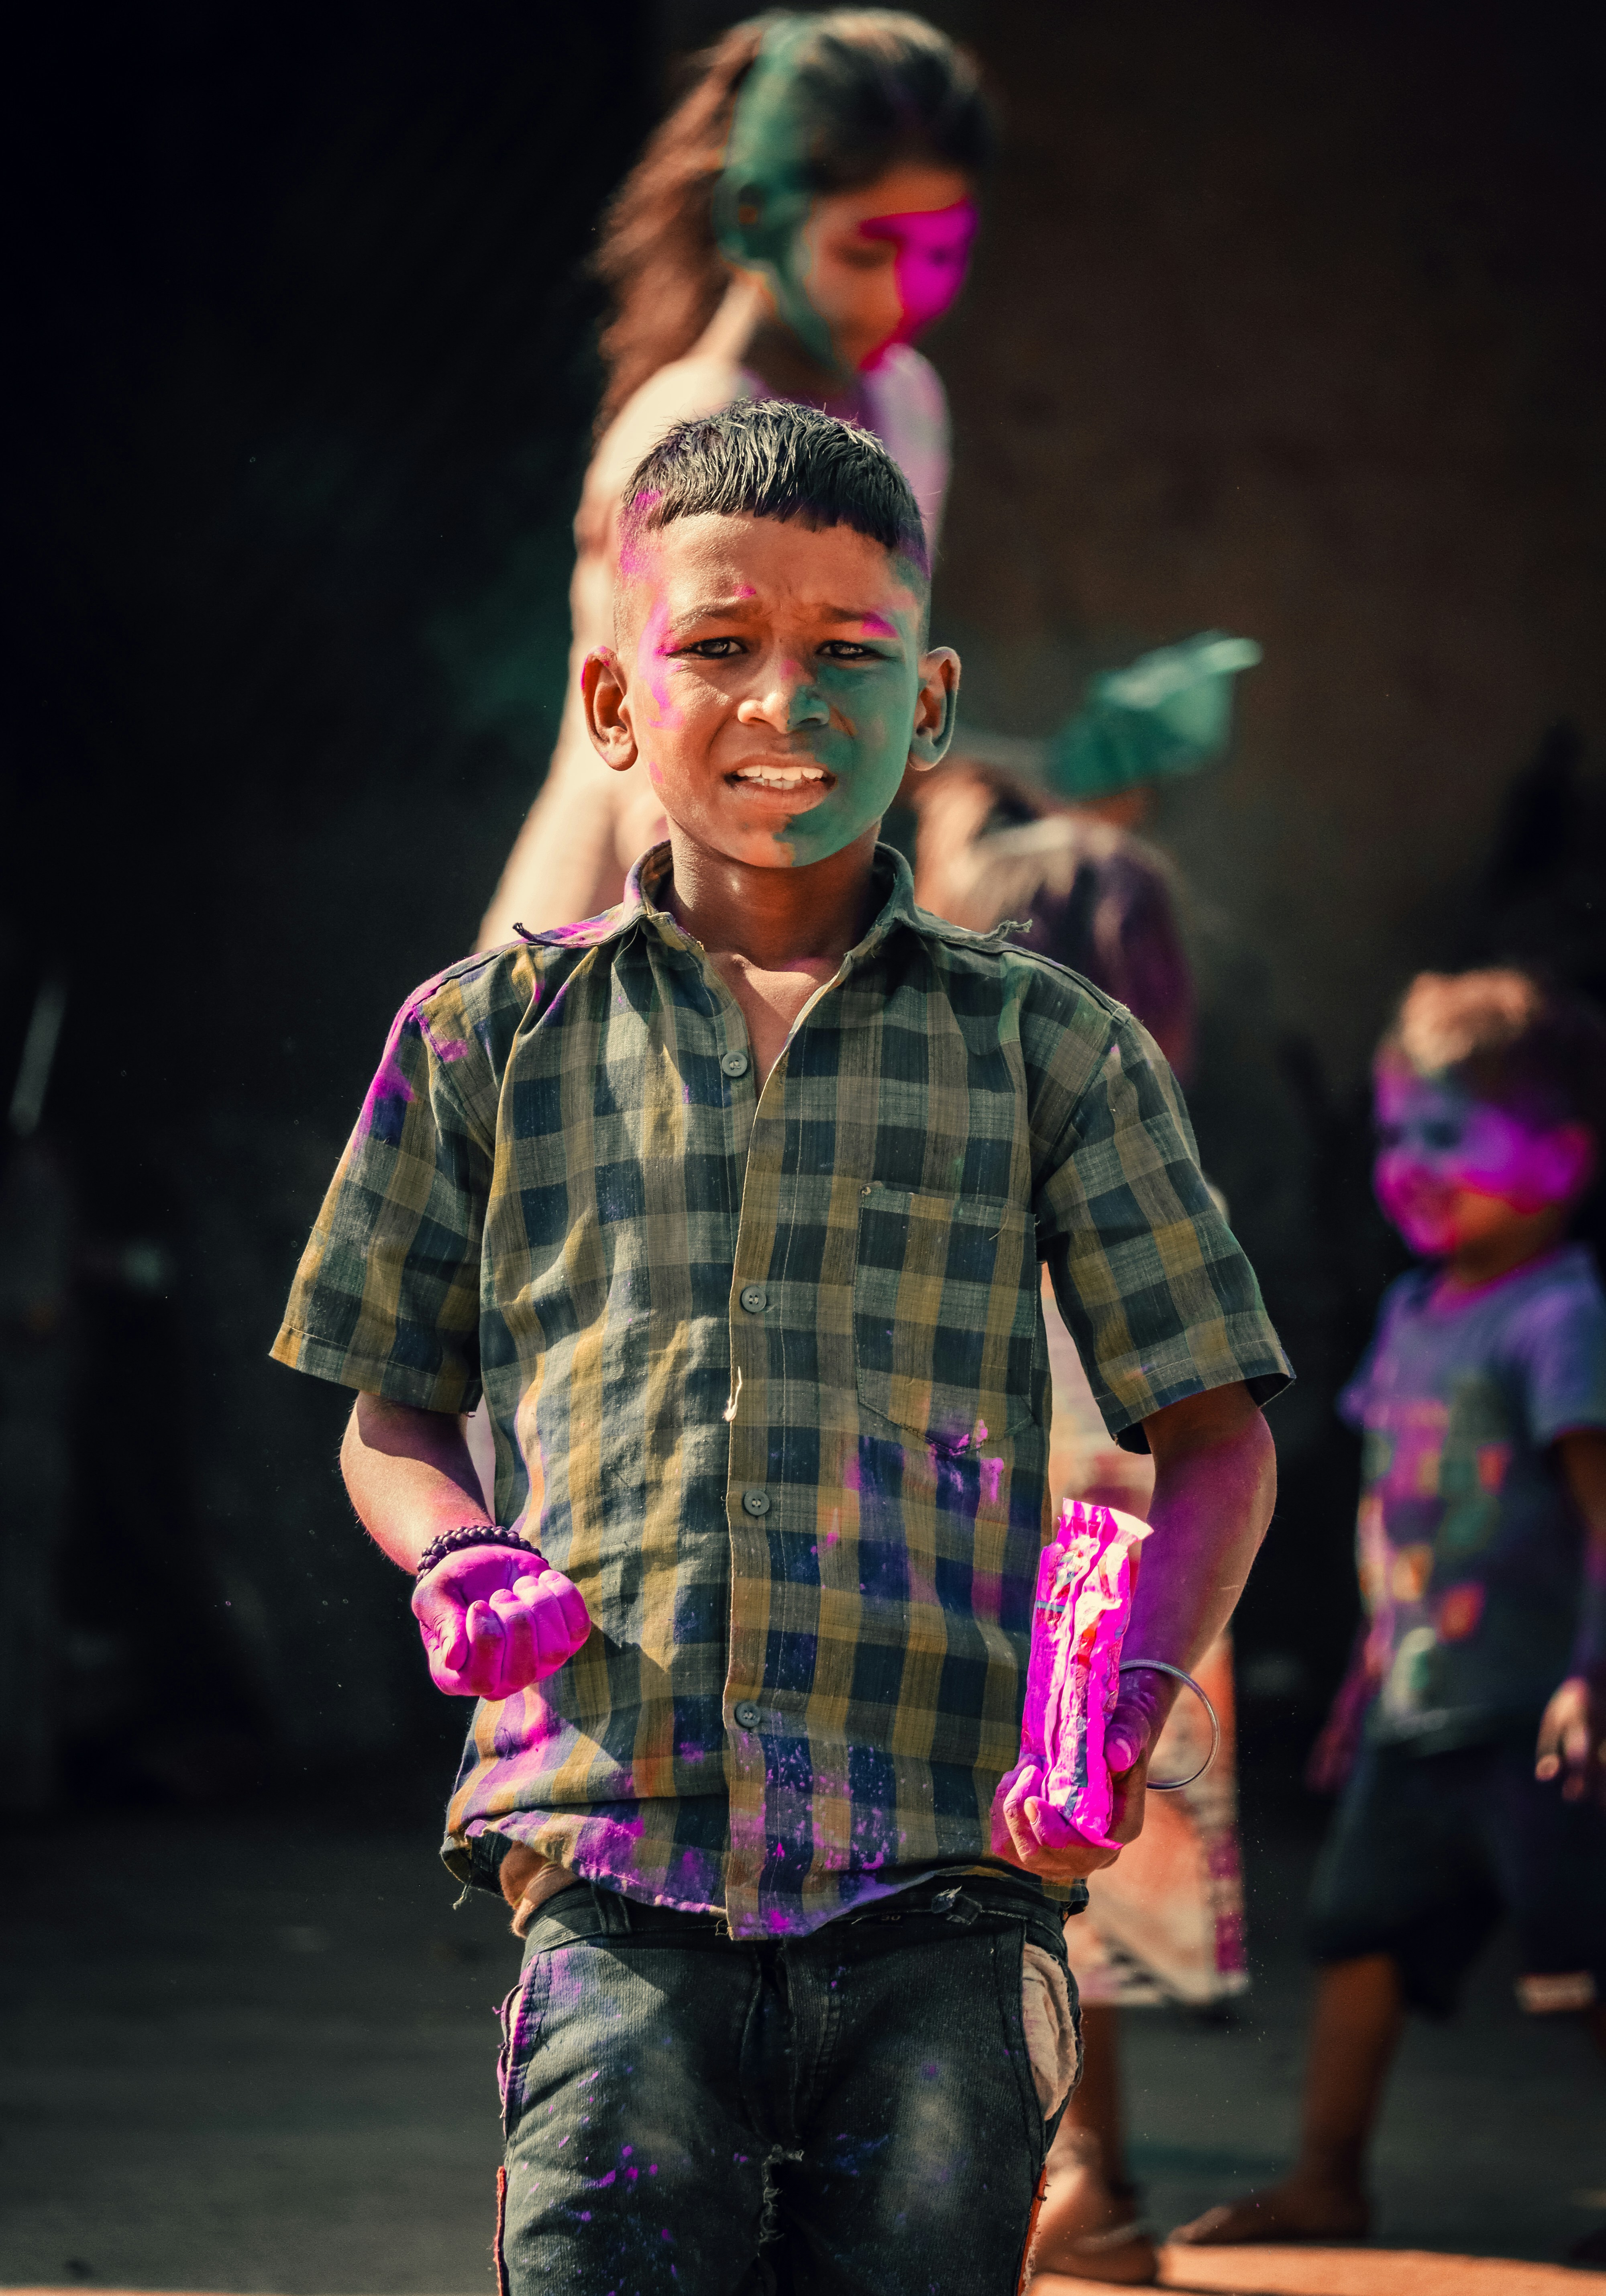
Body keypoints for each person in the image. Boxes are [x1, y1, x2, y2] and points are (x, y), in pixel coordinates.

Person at [270, 403, 1290, 2294]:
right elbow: (390, 1410)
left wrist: (1128, 1699)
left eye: (846, 651)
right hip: (611, 1867)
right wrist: (453, 1549)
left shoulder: (1052, 1053)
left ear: (930, 705)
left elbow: (1217, 1436)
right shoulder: (480, 1041)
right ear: (610, 699)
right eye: (719, 643)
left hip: (950, 1891)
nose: (780, 701)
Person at [1172, 967, 1606, 2263]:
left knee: (1580, 1962)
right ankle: (1328, 2181)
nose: (1410, 1165)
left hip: (1535, 1724)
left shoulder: (1562, 1318)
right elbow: (1390, 1510)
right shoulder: (1415, 1311)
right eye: (1397, 1134)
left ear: (1566, 1158)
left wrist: (1592, 1673)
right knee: (1358, 1936)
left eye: (1450, 1134)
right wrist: (1370, 1671)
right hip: (1416, 1715)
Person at [917, 773, 1248, 2288]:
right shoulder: (1143, 1149)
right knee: (1064, 1904)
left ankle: (1084, 2180)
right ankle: (1080, 2177)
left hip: (1070, 1578)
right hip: (1135, 1575)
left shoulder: (1027, 1151)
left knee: (1049, 1900)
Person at [477, 6, 991, 947]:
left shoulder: (907, 405)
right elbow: (679, 749)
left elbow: (848, 698)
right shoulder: (686, 426)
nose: (907, 293)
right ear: (754, 217)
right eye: (866, 251)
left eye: (942, 254)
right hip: (633, 922)